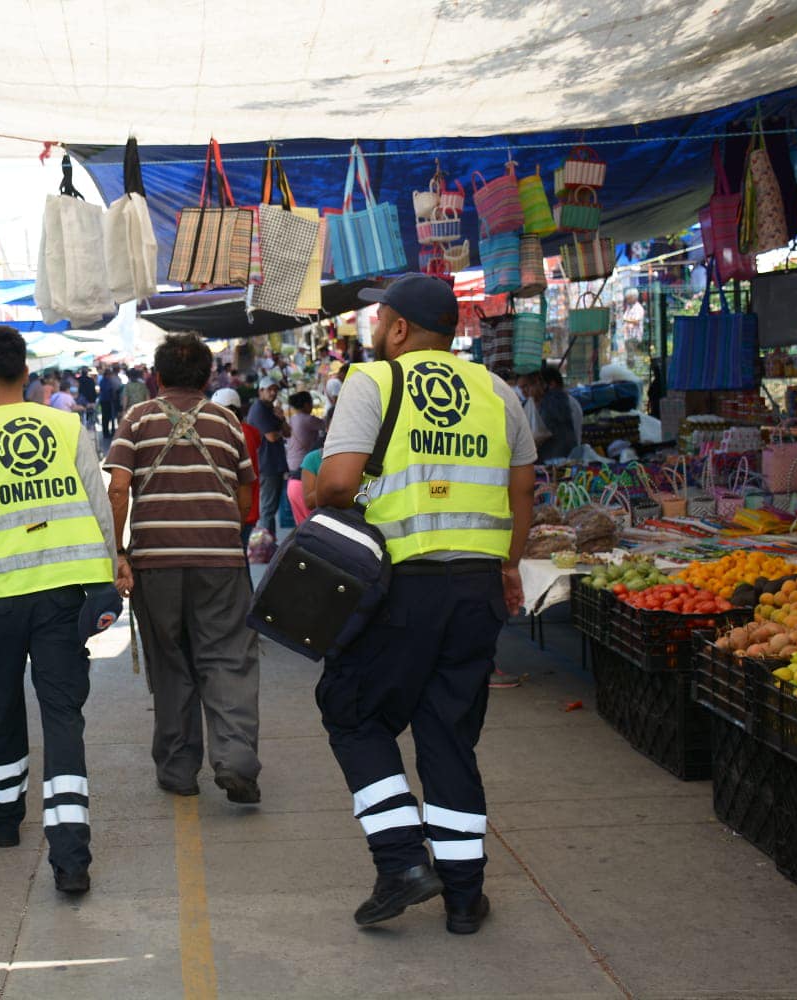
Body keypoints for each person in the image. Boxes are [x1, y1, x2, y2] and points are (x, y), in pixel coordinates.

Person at [314, 274, 536, 931]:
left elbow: (336, 484)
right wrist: (510, 564)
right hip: (476, 589)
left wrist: (358, 498)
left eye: (379, 322)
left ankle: (402, 861)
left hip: (397, 587)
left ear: (399, 327)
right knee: (448, 732)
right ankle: (465, 897)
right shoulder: (499, 394)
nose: (375, 335)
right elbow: (522, 492)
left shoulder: (373, 383)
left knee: (353, 714)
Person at [0, 325, 124, 896]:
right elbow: (99, 506)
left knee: (1, 705)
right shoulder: (68, 427)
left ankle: (3, 818)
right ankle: (71, 856)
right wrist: (112, 571)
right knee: (63, 714)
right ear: (27, 371)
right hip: (67, 594)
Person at [106, 333, 262, 804]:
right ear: (207, 376)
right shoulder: (226, 421)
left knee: (170, 662)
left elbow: (117, 491)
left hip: (157, 564)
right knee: (228, 659)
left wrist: (119, 553)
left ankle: (178, 769)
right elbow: (244, 490)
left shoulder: (136, 418)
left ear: (157, 376)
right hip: (221, 562)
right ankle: (235, 762)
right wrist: (222, 531)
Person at [213, 388, 261, 547]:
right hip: (242, 508)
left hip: (241, 510)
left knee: (238, 560)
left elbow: (242, 476)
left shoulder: (240, 433)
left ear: (231, 410)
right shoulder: (244, 431)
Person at [247, 380, 289, 536]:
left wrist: (282, 419)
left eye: (275, 390)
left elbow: (288, 433)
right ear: (261, 391)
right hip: (267, 464)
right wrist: (279, 431)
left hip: (274, 463)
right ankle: (263, 544)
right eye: (269, 390)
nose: (273, 393)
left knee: (271, 508)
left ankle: (269, 543)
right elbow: (271, 436)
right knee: (268, 509)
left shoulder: (271, 409)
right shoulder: (259, 410)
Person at [537, 367, 580, 462]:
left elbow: (549, 431)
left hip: (557, 460)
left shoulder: (555, 401)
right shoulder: (570, 401)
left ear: (551, 384)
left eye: (540, 384)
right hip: (567, 458)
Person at [99, 367, 123, 440]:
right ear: (107, 375)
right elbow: (108, 390)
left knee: (108, 417)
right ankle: (106, 433)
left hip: (106, 401)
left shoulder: (104, 381)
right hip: (106, 401)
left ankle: (108, 432)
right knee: (106, 417)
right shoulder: (105, 381)